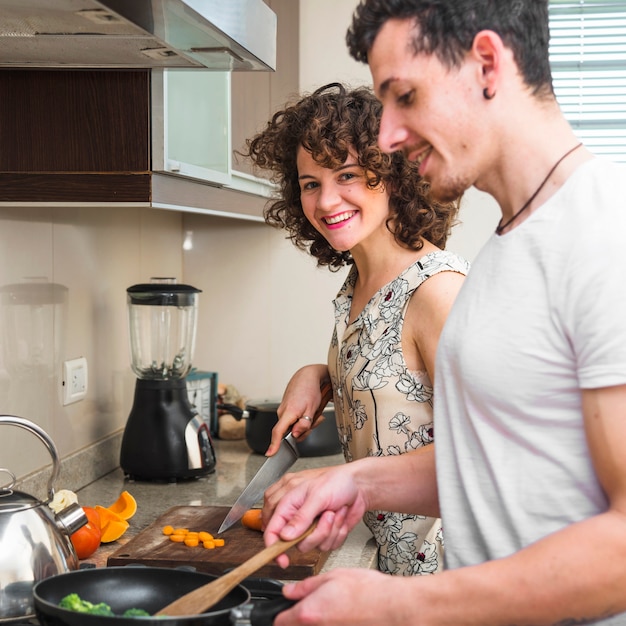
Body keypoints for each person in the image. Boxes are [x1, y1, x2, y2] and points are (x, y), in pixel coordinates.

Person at [261, 1, 626, 625]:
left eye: (405, 97)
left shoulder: (603, 237)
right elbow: (497, 470)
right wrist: (359, 483)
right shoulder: (507, 248)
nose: (389, 137)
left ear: (487, 63)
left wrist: (408, 606)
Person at [243, 81, 468, 576]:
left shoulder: (438, 293)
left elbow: (483, 458)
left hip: (448, 582)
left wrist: (341, 479)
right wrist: (319, 373)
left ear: (394, 177)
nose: (325, 201)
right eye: (309, 183)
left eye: (347, 175)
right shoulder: (361, 284)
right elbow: (397, 384)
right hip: (390, 574)